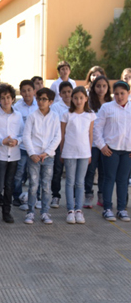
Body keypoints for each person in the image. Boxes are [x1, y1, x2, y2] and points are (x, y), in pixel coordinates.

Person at [0, 84, 23, 224]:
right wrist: (2, 141)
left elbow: (23, 134)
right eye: (2, 98)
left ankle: (7, 212)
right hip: (0, 155)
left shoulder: (18, 115)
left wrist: (16, 141)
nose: (6, 101)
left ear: (13, 99)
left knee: (9, 185)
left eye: (8, 98)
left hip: (14, 156)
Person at [94, 80, 131, 222]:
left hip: (127, 151)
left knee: (123, 180)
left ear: (128, 93)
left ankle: (121, 209)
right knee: (109, 179)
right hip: (111, 150)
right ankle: (107, 208)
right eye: (116, 93)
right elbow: (97, 128)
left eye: (122, 93)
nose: (120, 96)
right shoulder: (107, 107)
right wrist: (102, 146)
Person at [23, 88, 61, 225]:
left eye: (44, 99)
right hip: (34, 156)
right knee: (33, 185)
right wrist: (32, 153)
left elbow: (58, 137)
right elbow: (26, 136)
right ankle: (30, 212)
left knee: (46, 185)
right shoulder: (32, 116)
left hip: (48, 156)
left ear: (50, 101)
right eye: (39, 99)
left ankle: (45, 212)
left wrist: (47, 152)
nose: (40, 102)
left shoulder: (55, 117)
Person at [61, 86, 96, 224]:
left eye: (81, 98)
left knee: (80, 182)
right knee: (70, 182)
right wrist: (62, 152)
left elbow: (90, 134)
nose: (78, 100)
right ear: (72, 99)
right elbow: (62, 135)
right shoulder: (67, 115)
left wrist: (90, 153)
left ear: (86, 99)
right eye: (76, 98)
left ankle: (79, 210)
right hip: (69, 152)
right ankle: (70, 210)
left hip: (84, 152)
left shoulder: (90, 115)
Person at [84, 75, 112, 208]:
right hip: (92, 144)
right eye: (98, 86)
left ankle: (102, 196)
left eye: (104, 86)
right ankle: (88, 195)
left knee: (103, 171)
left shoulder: (112, 103)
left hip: (106, 144)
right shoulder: (88, 103)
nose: (101, 89)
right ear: (93, 87)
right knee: (90, 170)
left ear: (108, 88)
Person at [13, 80, 38, 209]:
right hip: (22, 146)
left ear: (34, 91)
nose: (27, 93)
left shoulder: (39, 106)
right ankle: (16, 196)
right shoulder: (17, 107)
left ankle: (36, 197)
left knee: (34, 173)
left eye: (29, 90)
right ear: (20, 92)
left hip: (36, 147)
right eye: (24, 90)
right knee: (19, 172)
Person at [50, 81, 73, 208]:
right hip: (59, 142)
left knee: (72, 172)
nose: (67, 94)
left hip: (73, 143)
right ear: (60, 94)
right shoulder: (56, 107)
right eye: (64, 92)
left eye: (69, 91)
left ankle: (73, 197)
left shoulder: (77, 105)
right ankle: (55, 195)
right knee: (57, 170)